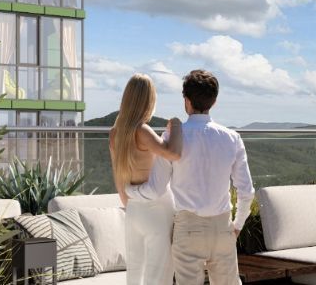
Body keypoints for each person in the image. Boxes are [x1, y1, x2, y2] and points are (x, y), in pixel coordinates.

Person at [127, 69, 254, 285]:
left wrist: (129, 190)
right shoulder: (232, 138)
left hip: (188, 229)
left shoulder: (173, 136)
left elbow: (156, 189)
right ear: (214, 102)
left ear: (186, 100)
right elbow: (246, 192)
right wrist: (237, 225)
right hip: (222, 227)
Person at [109, 74, 182, 285]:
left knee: (135, 273)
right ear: (149, 100)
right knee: (158, 274)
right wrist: (176, 126)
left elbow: (118, 178)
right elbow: (173, 153)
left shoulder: (115, 133)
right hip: (156, 208)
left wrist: (132, 205)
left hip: (133, 209)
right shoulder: (142, 131)